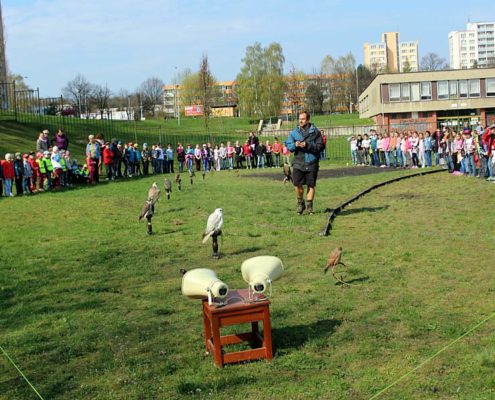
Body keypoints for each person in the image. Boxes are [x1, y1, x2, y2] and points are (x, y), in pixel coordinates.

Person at [286, 110, 324, 215]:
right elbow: (288, 145)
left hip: (312, 161)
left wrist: (307, 145)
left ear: (308, 120)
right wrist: (295, 145)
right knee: (297, 184)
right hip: (298, 162)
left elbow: (320, 146)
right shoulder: (294, 133)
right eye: (299, 119)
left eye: (302, 119)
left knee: (311, 185)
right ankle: (300, 203)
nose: (300, 121)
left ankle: (309, 206)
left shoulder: (315, 132)